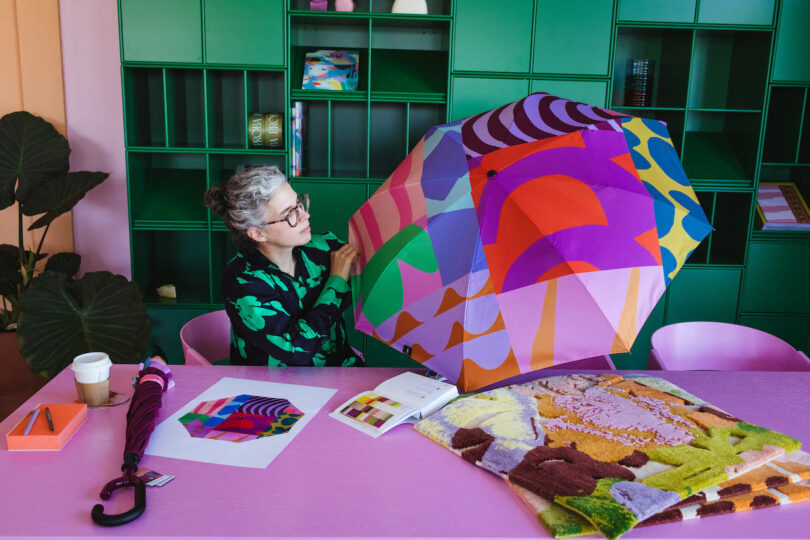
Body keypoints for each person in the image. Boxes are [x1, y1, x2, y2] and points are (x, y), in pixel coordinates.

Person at [204, 165, 363, 367]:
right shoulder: (242, 280)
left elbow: (371, 279)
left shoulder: (323, 248)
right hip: (277, 389)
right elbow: (296, 348)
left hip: (342, 373)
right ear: (258, 233)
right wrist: (337, 281)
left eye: (300, 203)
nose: (305, 215)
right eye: (290, 214)